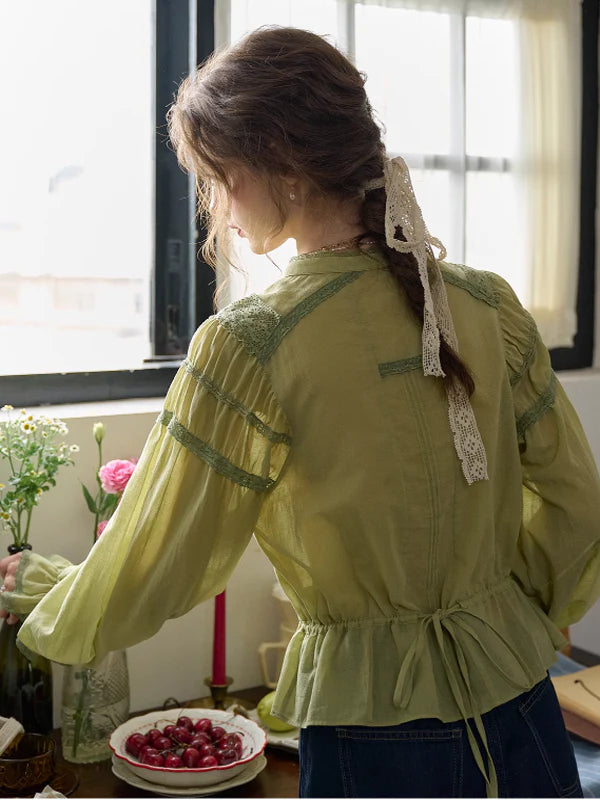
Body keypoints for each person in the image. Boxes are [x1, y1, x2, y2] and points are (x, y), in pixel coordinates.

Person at [1, 25, 600, 798]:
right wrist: (505, 618)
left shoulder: (254, 343)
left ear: (278, 166)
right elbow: (577, 503)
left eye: (216, 177)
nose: (214, 204)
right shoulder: (490, 306)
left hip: (375, 733)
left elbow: (159, 560)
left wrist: (42, 588)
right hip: (521, 706)